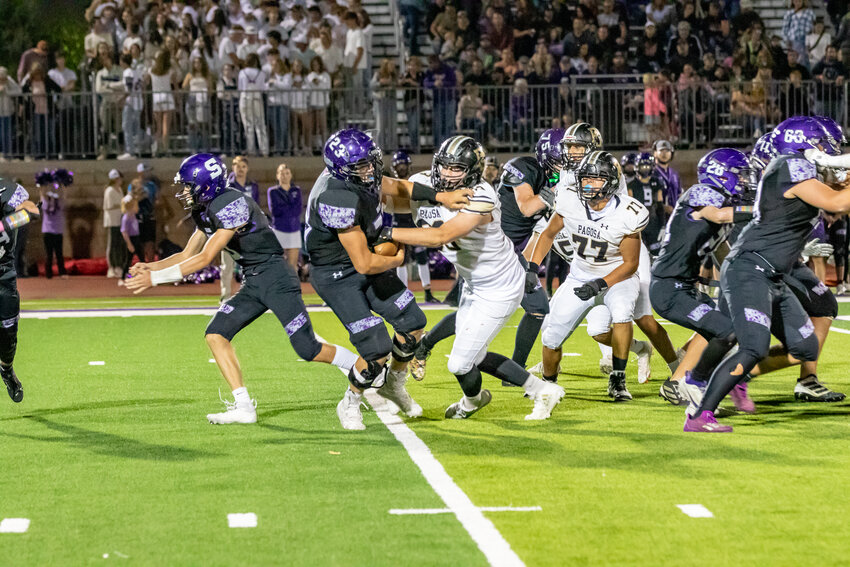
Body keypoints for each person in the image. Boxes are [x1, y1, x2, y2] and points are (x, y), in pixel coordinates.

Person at [125, 153, 359, 424]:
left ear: (205, 184)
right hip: (254, 280)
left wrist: (154, 281)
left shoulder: (232, 202)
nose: (185, 191)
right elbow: (188, 252)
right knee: (216, 334)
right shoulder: (207, 208)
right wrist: (150, 267)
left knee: (308, 349)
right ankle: (244, 406)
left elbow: (202, 259)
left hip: (276, 279)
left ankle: (363, 367)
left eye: (189, 185)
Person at [684, 118, 850, 432]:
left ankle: (719, 377)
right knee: (753, 347)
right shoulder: (790, 166)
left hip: (773, 274)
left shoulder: (794, 169)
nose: (829, 149)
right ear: (805, 143)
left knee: (806, 347)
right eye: (822, 142)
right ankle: (699, 413)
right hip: (751, 268)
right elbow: (837, 202)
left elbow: (837, 198)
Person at [385, 135, 566, 419]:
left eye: (456, 168)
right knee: (474, 356)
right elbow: (392, 201)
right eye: (443, 166)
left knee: (459, 363)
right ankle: (542, 390)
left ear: (471, 171)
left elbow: (440, 235)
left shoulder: (481, 195)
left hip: (500, 286)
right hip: (475, 282)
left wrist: (385, 233)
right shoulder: (426, 181)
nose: (446, 173)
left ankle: (474, 401)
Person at [306, 129, 471, 430]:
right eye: (361, 167)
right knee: (376, 347)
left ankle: (393, 384)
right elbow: (365, 263)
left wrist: (441, 196)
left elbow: (393, 185)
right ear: (342, 170)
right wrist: (396, 259)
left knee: (412, 322)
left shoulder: (359, 176)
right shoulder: (336, 197)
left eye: (371, 163)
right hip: (337, 274)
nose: (369, 170)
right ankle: (351, 400)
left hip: (363, 257)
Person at [530, 151, 649, 401]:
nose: (587, 184)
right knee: (551, 335)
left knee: (622, 314)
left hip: (618, 277)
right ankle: (548, 383)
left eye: (595, 179)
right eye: (584, 179)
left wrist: (600, 284)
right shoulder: (570, 201)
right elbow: (549, 234)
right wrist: (532, 268)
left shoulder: (627, 212)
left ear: (611, 182)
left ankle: (618, 378)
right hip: (580, 275)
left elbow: (630, 264)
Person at [0, 177, 39, 402]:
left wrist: (5, 224)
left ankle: (6, 370)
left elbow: (32, 209)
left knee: (8, 335)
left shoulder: (7, 189)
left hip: (3, 274)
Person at [387, 151, 438, 304]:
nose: (402, 168)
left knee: (422, 259)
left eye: (404, 165)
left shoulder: (414, 181)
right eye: (399, 166)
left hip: (414, 223)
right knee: (401, 260)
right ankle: (404, 294)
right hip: (398, 224)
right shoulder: (391, 184)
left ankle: (427, 292)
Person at [221, 156, 259, 301]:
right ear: (233, 167)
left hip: (247, 230)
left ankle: (249, 295)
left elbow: (255, 207)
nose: (240, 169)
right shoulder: (227, 185)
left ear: (247, 168)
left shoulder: (253, 185)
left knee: (250, 264)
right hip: (229, 230)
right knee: (227, 265)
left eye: (243, 166)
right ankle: (225, 296)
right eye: (237, 166)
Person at [628, 153, 665, 256]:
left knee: (657, 255)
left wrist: (663, 225)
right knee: (640, 256)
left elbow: (660, 207)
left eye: (647, 166)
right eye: (643, 166)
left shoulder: (656, 182)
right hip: (638, 225)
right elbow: (628, 210)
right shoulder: (631, 185)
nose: (645, 169)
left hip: (653, 223)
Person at [267, 163, 302, 270]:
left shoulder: (296, 190)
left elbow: (298, 210)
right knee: (277, 266)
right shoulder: (273, 191)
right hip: (279, 229)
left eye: (287, 173)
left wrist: (285, 207)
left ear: (291, 175)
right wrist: (289, 207)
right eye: (282, 173)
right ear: (277, 176)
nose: (285, 176)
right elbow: (275, 210)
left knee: (292, 267)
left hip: (294, 229)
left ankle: (293, 287)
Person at [237, 53, 269, 157]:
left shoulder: (242, 72)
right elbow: (263, 88)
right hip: (256, 97)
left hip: (245, 97)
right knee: (260, 124)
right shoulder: (261, 73)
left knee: (248, 124)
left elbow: (240, 88)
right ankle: (264, 150)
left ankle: (251, 150)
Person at [39, 170, 68, 279]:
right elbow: (64, 196)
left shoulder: (46, 204)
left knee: (49, 254)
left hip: (47, 231)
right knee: (59, 253)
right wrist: (63, 186)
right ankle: (62, 272)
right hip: (58, 231)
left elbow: (42, 195)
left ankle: (49, 274)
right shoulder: (59, 204)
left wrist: (42, 185)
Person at [104, 169, 125, 278]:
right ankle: (111, 267)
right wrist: (122, 205)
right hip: (112, 221)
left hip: (119, 220)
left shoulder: (119, 189)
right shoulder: (109, 190)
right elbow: (108, 206)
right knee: (112, 244)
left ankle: (118, 266)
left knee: (118, 244)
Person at [652, 139, 681, 216]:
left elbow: (679, 194)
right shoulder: (651, 173)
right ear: (655, 153)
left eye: (667, 151)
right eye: (661, 151)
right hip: (656, 216)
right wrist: (664, 207)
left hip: (673, 216)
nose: (664, 154)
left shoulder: (674, 174)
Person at [119, 192, 142, 284]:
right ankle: (122, 278)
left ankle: (145, 275)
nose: (137, 208)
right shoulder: (126, 218)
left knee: (142, 258)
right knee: (128, 260)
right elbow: (124, 232)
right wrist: (129, 244)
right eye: (135, 206)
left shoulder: (133, 216)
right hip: (130, 240)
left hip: (136, 238)